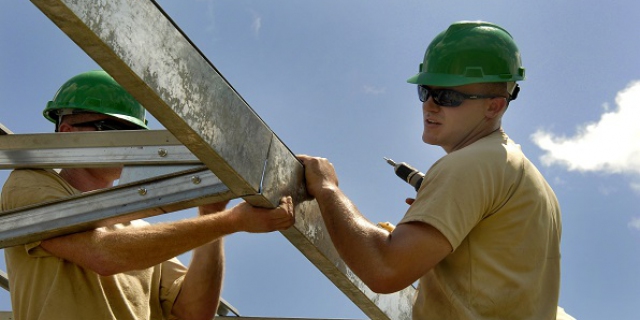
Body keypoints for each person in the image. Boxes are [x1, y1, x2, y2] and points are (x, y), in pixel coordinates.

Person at [298, 21, 566, 319]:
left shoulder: (471, 165)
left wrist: (327, 190)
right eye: (426, 91)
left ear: (494, 107)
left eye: (448, 97)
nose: (430, 106)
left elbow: (385, 269)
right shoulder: (523, 177)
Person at [2, 70, 295, 320]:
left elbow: (193, 311)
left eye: (134, 131)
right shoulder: (31, 183)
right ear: (67, 132)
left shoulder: (140, 232)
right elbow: (103, 253)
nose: (129, 142)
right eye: (113, 128)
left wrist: (212, 216)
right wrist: (230, 222)